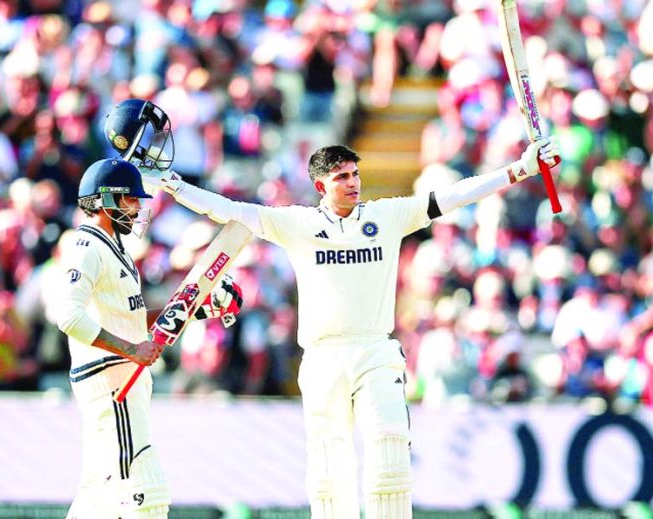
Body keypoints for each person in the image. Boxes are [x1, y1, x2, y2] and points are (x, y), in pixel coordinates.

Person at [104, 99, 558, 518]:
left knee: (389, 465)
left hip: (376, 352)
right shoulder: (297, 224)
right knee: (329, 474)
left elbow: (453, 196)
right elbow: (227, 211)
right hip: (322, 357)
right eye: (342, 177)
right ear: (320, 184)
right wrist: (173, 184)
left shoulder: (388, 216)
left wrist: (517, 171)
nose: (353, 183)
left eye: (356, 174)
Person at [55, 157, 242, 518]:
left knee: (100, 491)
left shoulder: (115, 246)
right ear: (106, 200)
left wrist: (202, 307)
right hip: (111, 380)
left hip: (122, 376)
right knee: (141, 489)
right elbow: (69, 316)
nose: (139, 207)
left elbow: (134, 319)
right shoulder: (87, 246)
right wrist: (131, 350)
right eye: (131, 200)